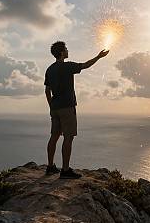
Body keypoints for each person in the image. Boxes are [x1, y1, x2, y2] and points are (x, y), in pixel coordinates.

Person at [44, 41, 109, 179]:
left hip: (55, 108)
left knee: (54, 137)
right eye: (66, 49)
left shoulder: (49, 69)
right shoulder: (68, 66)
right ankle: (65, 170)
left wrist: (51, 106)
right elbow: (86, 65)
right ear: (62, 52)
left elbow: (47, 91)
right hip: (67, 107)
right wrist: (98, 57)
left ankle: (50, 167)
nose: (68, 51)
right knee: (68, 137)